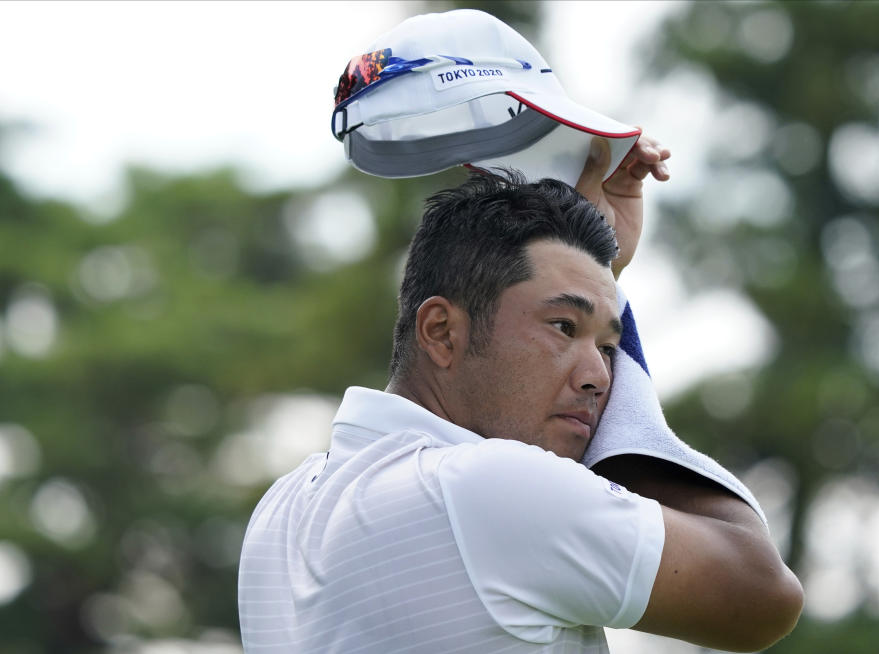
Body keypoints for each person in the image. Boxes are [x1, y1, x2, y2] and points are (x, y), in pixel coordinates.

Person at [237, 137, 803, 653]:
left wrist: (600, 276)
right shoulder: (490, 485)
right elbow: (761, 594)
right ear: (441, 331)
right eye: (563, 327)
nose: (600, 377)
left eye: (609, 346)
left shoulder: (279, 512)